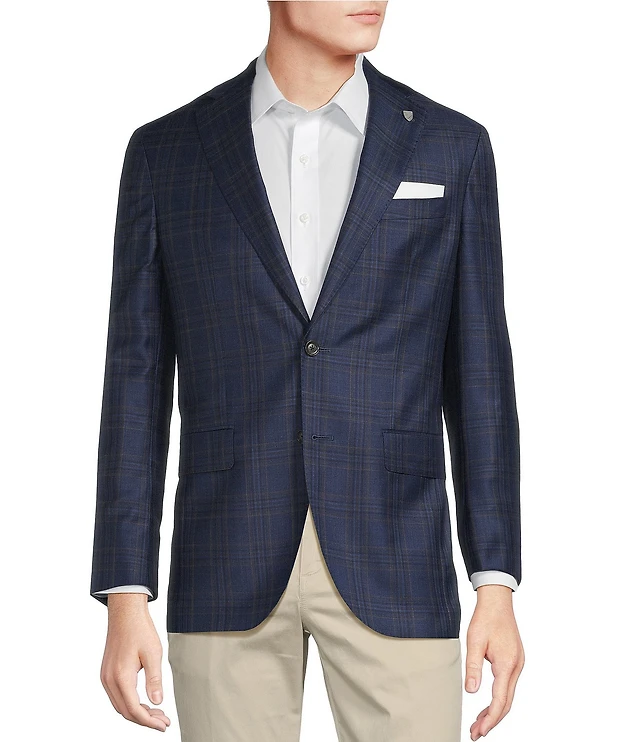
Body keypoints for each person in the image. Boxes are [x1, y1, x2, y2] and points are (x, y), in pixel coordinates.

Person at [90, 2, 525, 740]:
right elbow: (134, 379)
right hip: (226, 553)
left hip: (397, 555)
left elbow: (481, 375)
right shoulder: (168, 153)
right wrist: (126, 590)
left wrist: (496, 581)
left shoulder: (452, 147)